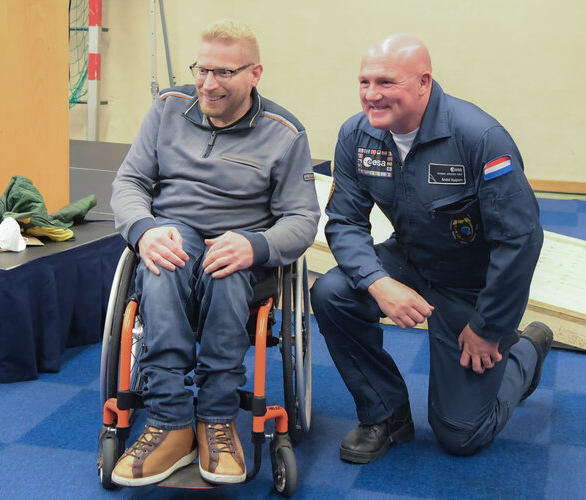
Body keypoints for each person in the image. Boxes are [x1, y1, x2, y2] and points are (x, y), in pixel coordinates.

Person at [310, 34, 552, 463]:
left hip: (470, 286)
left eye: (386, 82)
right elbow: (345, 221)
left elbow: (520, 241)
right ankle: (386, 415)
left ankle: (525, 351)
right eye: (364, 82)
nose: (371, 95)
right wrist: (379, 282)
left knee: (461, 436)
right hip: (409, 260)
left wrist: (489, 328)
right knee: (332, 293)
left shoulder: (480, 138)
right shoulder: (357, 135)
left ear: (424, 82)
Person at [109, 19, 319, 486]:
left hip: (239, 246)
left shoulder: (284, 133)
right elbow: (129, 183)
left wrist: (256, 244)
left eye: (225, 72)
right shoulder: (167, 109)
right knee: (164, 258)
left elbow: (302, 220)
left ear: (254, 74)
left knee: (224, 268)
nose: (208, 83)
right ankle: (169, 421)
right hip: (172, 230)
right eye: (202, 70)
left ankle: (217, 419)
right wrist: (143, 230)